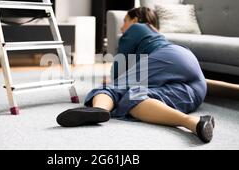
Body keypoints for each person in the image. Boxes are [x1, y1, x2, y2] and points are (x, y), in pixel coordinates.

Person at [56, 7, 215, 143]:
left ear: (135, 19)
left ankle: (98, 109)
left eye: (125, 21)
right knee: (134, 98)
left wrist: (114, 82)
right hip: (197, 87)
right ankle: (194, 123)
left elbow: (119, 68)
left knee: (112, 88)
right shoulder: (154, 35)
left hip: (171, 57)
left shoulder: (137, 27)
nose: (122, 28)